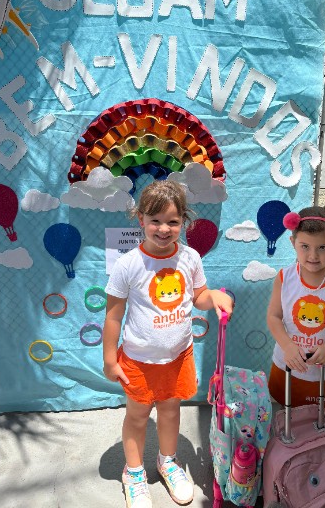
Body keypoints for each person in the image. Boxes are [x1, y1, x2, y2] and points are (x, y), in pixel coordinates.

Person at [103, 180, 233, 508]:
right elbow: (114, 316)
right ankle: (134, 473)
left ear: (184, 222)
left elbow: (199, 297)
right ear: (140, 219)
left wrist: (214, 297)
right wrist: (110, 359)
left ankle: (168, 462)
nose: (164, 228)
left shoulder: (190, 258)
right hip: (138, 360)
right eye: (155, 220)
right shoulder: (128, 264)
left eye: (173, 221)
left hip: (178, 357)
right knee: (137, 417)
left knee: (170, 411)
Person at [267, 206, 325, 414]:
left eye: (322, 247)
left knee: (320, 417)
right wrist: (287, 346)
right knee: (285, 412)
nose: (313, 255)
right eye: (305, 246)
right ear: (293, 242)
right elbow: (274, 316)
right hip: (287, 363)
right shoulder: (285, 277)